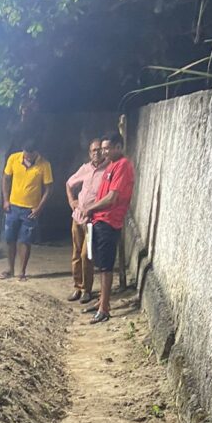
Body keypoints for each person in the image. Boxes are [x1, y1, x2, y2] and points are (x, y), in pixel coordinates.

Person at [82, 132, 136, 324]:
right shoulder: (110, 166)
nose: (104, 152)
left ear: (118, 147)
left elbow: (112, 198)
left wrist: (90, 208)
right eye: (103, 148)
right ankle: (101, 301)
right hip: (99, 220)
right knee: (99, 262)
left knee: (106, 267)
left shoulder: (123, 166)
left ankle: (104, 308)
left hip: (109, 221)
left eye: (107, 148)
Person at [1, 139, 53, 280]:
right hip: (12, 207)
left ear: (36, 152)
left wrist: (39, 208)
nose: (27, 157)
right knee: (10, 239)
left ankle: (22, 272)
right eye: (25, 154)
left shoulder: (44, 164)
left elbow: (48, 189)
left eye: (30, 155)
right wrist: (5, 200)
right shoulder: (14, 158)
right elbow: (6, 179)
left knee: (25, 241)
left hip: (30, 210)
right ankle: (10, 269)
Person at [65, 138, 104, 303]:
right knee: (76, 254)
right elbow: (69, 184)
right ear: (89, 153)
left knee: (86, 254)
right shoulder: (85, 169)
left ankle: (87, 289)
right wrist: (72, 201)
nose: (97, 153)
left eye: (99, 150)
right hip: (78, 218)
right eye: (94, 150)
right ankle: (78, 287)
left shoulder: (108, 170)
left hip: (92, 221)